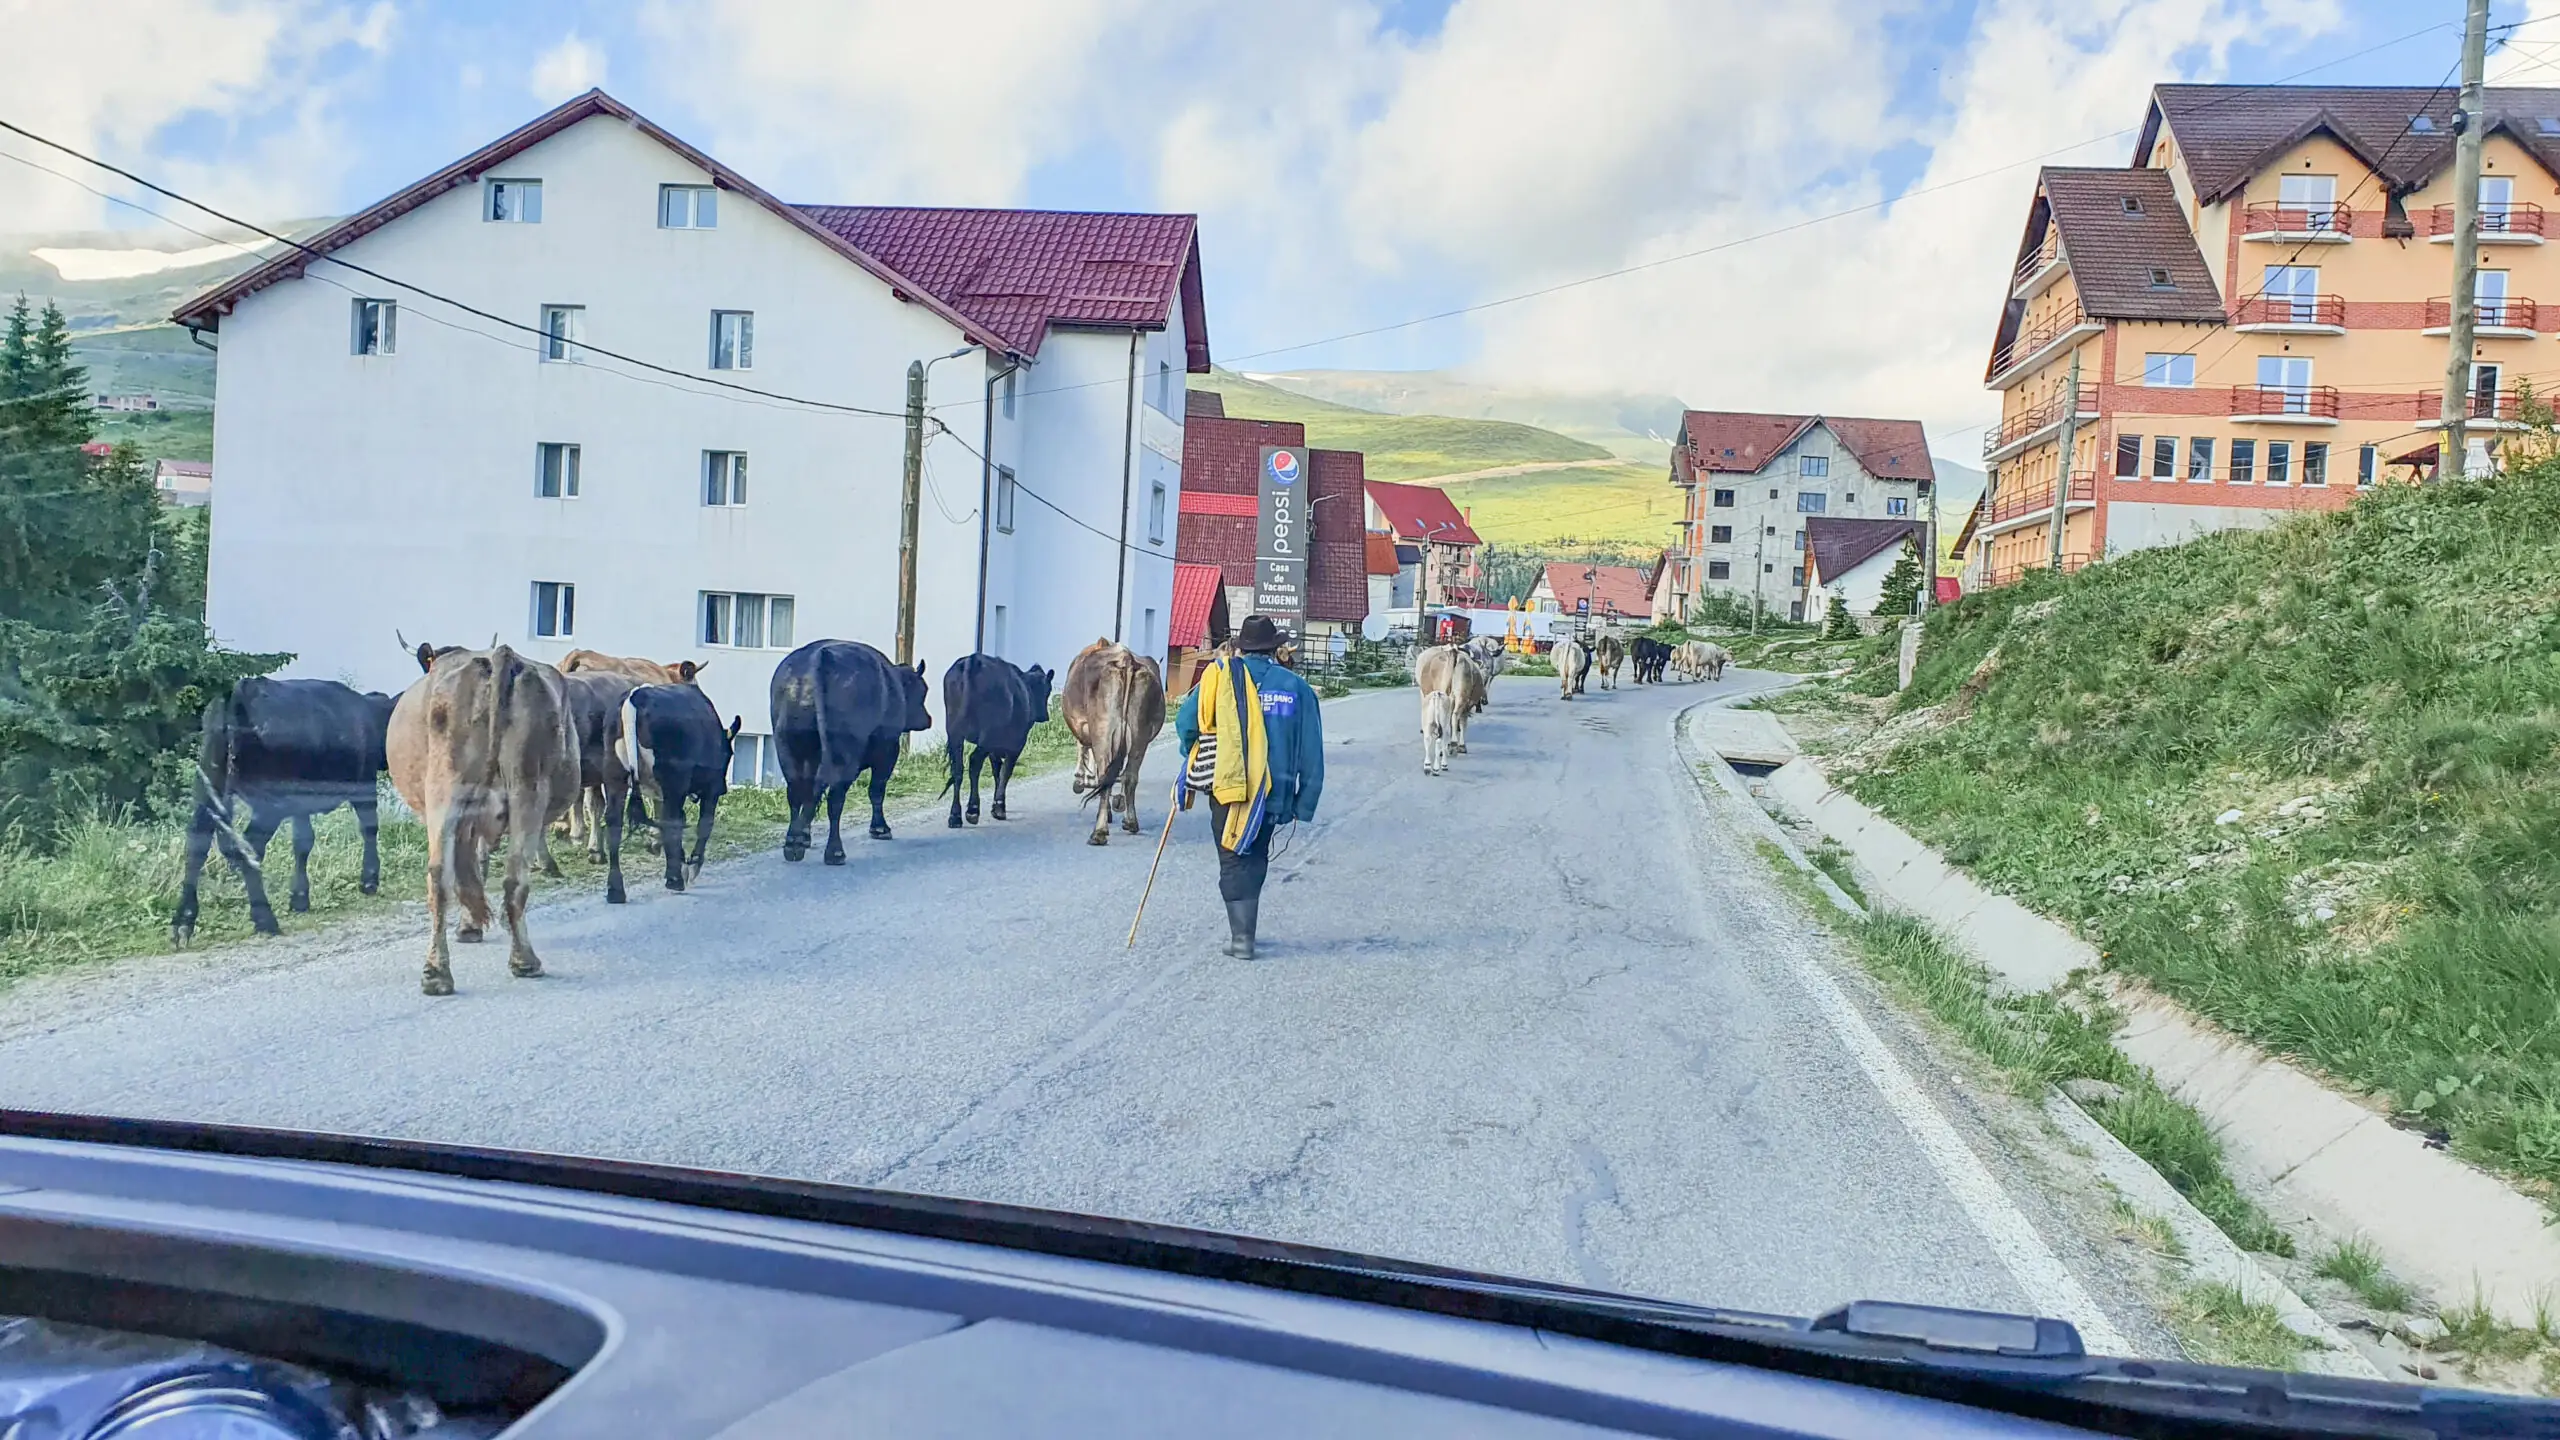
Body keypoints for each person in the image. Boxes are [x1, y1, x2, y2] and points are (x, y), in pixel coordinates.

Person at [1174, 615, 1324, 960]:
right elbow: (1312, 749)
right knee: (1256, 853)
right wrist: (1305, 801)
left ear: (1241, 647)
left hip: (1228, 786)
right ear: (1275, 649)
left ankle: (1242, 937)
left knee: (1231, 858)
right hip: (1275, 790)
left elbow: (1186, 725)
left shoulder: (1219, 680)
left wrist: (1194, 756)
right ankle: (1246, 931)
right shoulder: (1296, 688)